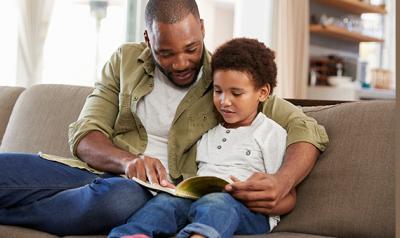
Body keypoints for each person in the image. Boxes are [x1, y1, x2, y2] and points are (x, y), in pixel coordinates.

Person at [0, 0, 328, 236]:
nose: (182, 63)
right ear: (147, 39)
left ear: (202, 29)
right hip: (94, 173)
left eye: (191, 48)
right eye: (166, 53)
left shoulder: (225, 79)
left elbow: (306, 127)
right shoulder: (125, 62)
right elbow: (86, 134)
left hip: (142, 194)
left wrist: (281, 182)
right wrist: (128, 161)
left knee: (120, 199)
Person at [108, 37, 295, 238]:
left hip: (248, 211)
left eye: (236, 93)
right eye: (218, 91)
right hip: (198, 200)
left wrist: (261, 198)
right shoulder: (208, 132)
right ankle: (130, 235)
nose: (225, 101)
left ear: (263, 93)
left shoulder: (271, 133)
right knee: (164, 203)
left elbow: (289, 196)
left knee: (217, 203)